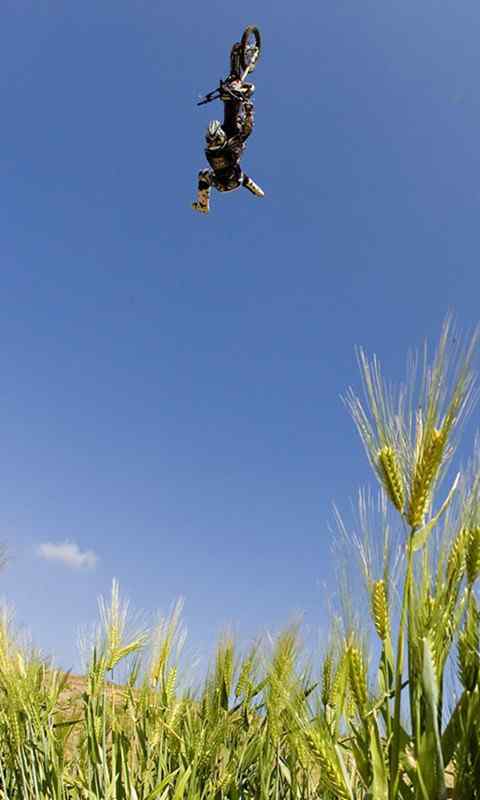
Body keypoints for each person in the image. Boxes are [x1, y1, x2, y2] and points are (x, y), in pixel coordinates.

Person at [192, 77, 264, 214]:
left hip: (222, 183)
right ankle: (233, 100)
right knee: (234, 130)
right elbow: (247, 131)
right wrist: (249, 113)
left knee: (204, 174)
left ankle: (203, 204)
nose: (212, 142)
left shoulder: (209, 152)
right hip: (234, 179)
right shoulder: (229, 145)